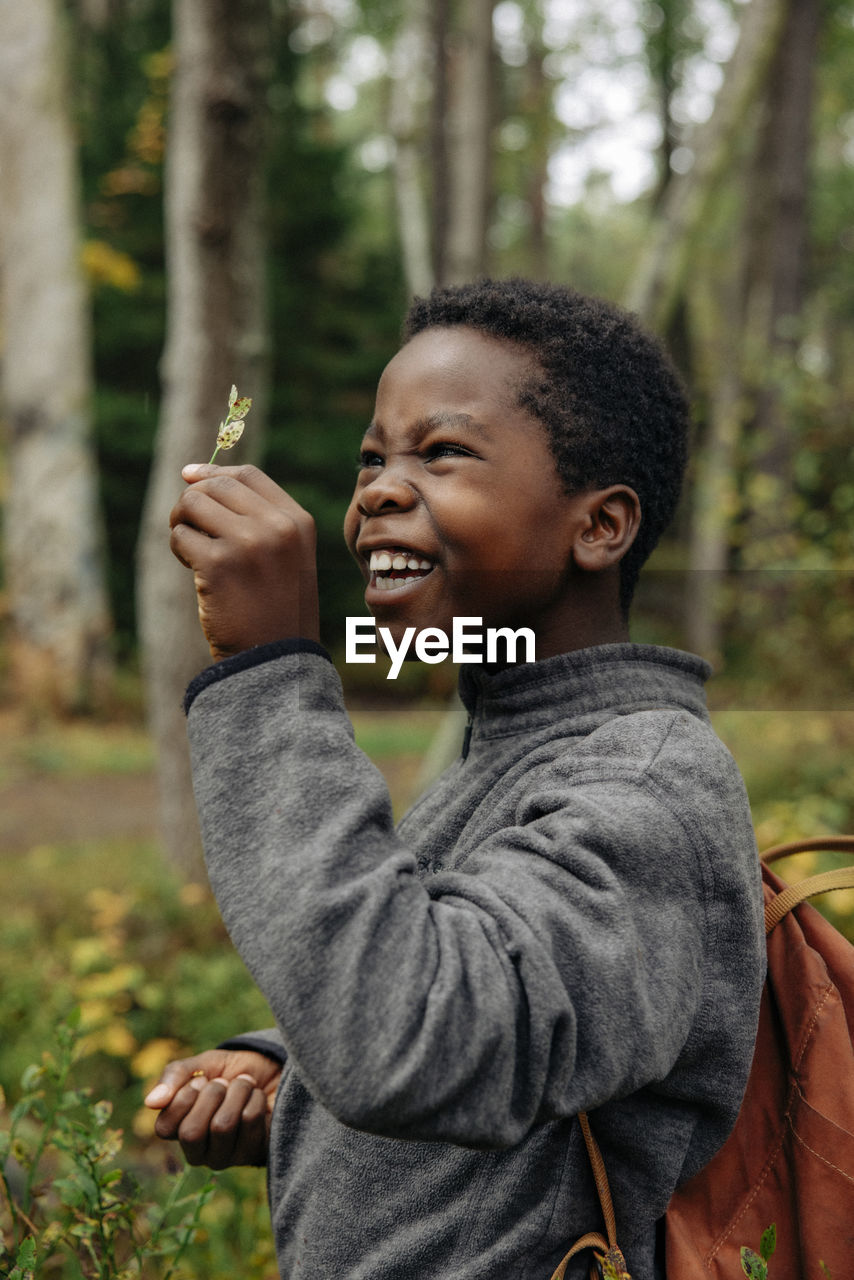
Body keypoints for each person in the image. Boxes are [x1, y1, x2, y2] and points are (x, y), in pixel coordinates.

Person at [144, 278, 765, 1279]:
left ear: (597, 526)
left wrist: (270, 672)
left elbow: (408, 1037)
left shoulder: (651, 785)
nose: (379, 489)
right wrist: (287, 1066)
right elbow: (477, 983)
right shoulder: (514, 743)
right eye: (371, 458)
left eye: (440, 453)